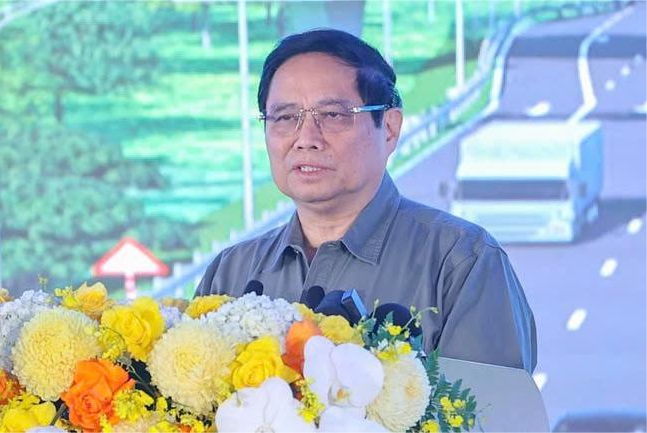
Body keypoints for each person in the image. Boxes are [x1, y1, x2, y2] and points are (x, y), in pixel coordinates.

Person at [195, 29, 536, 372]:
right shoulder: (230, 274)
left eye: (332, 115)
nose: (306, 139)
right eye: (285, 118)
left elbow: (490, 416)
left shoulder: (461, 261)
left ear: (388, 128)